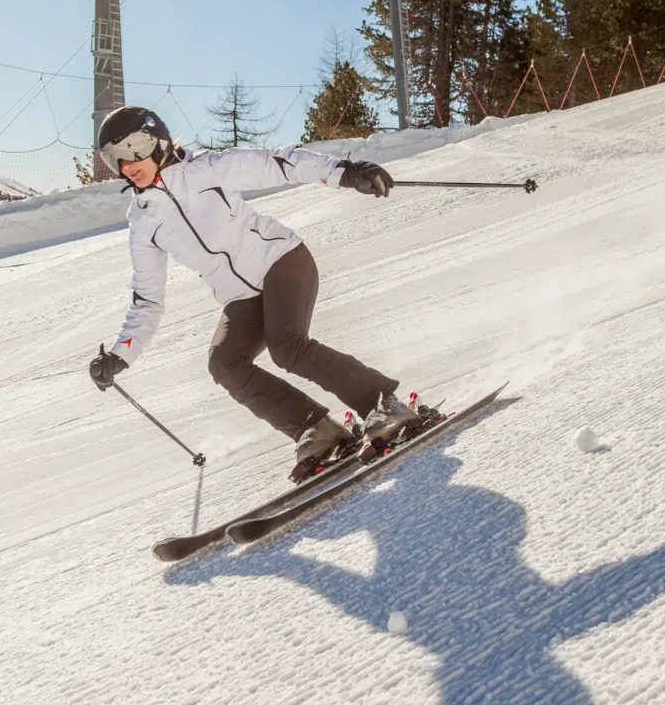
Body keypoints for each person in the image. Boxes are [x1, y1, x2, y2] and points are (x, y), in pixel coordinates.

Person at [85, 105, 422, 477]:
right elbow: (147, 299)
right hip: (239, 297)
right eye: (115, 158)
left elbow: (279, 163)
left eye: (135, 148)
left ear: (159, 140)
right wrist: (120, 355)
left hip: (281, 261)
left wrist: (344, 172)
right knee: (224, 363)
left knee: (288, 348)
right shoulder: (143, 220)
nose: (128, 164)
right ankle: (318, 428)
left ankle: (383, 404)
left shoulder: (206, 169)